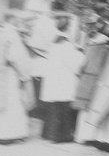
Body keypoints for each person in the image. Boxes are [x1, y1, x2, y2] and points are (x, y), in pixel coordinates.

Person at [39, 27, 83, 143]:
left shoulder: (52, 48)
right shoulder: (68, 48)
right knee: (64, 111)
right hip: (64, 85)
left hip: (53, 86)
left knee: (52, 111)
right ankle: (62, 136)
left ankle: (48, 134)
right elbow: (77, 66)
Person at [0, 11, 32, 143]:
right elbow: (16, 58)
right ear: (12, 19)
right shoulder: (11, 34)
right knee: (12, 102)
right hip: (8, 73)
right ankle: (8, 134)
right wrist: (24, 75)